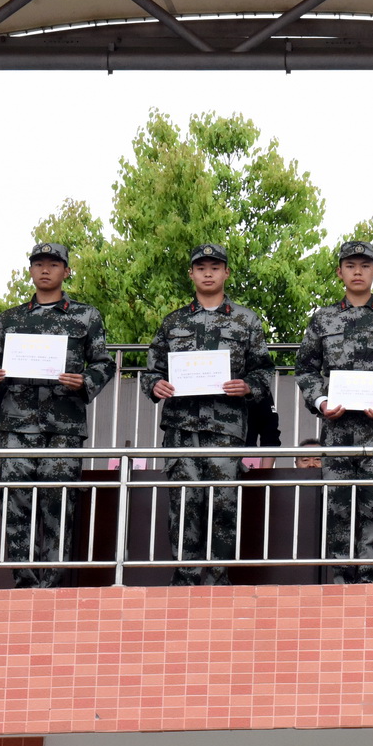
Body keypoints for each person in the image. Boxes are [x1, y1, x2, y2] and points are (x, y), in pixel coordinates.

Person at [0, 243, 115, 588]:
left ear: (66, 271)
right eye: (38, 264)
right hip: (16, 426)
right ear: (30, 271)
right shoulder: (10, 318)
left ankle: (52, 585)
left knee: (59, 503)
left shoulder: (86, 316)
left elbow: (104, 363)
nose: (45, 270)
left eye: (53, 264)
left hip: (63, 427)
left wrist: (85, 381)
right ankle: (24, 584)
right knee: (16, 505)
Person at [141, 243, 276, 586]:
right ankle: (185, 582)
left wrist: (247, 386)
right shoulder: (173, 322)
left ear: (226, 272)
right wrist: (156, 385)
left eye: (215, 267)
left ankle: (218, 582)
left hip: (225, 431)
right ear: (191, 273)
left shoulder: (246, 320)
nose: (208, 273)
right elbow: (151, 371)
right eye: (201, 267)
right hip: (181, 431)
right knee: (184, 507)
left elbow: (264, 371)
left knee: (223, 507)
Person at [295, 241, 373, 585]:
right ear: (339, 272)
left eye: (365, 266)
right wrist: (321, 401)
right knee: (337, 508)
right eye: (350, 265)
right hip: (337, 433)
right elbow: (305, 369)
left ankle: (370, 582)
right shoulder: (323, 318)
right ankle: (340, 582)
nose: (357, 271)